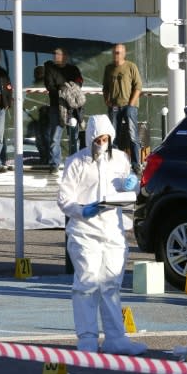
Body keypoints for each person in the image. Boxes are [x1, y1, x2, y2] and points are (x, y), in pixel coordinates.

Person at [57, 114, 146, 355]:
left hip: (113, 230)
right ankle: (87, 338)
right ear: (90, 138)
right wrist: (82, 210)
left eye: (106, 138)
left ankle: (115, 337)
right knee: (86, 284)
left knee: (110, 285)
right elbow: (64, 199)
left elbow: (130, 189)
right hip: (84, 232)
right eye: (98, 138)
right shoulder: (76, 162)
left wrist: (132, 184)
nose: (102, 142)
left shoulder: (120, 159)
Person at [102, 43, 143, 175]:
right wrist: (107, 100)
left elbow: (138, 87)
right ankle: (114, 164)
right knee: (112, 135)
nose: (116, 55)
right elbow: (105, 87)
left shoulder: (131, 66)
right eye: (114, 52)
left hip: (129, 106)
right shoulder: (108, 68)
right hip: (114, 106)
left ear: (124, 53)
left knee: (132, 135)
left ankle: (136, 164)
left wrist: (131, 104)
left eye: (119, 52)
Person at [44, 47, 84, 175]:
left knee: (74, 136)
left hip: (72, 108)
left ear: (65, 56)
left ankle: (75, 164)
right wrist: (65, 89)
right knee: (55, 137)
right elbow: (50, 86)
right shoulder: (50, 70)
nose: (55, 56)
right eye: (54, 54)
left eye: (58, 54)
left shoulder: (73, 69)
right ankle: (54, 163)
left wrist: (68, 89)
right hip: (56, 107)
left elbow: (79, 83)